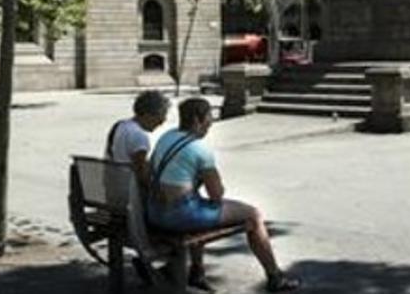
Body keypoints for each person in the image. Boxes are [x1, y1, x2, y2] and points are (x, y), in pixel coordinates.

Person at [146, 97, 301, 292]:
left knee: (198, 205)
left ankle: (197, 271)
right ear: (196, 120)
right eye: (209, 117)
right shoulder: (200, 150)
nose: (211, 122)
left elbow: (153, 171)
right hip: (179, 217)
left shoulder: (166, 136)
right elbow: (217, 196)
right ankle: (275, 277)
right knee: (253, 214)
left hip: (155, 212)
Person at [104, 90, 174, 286]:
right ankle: (158, 262)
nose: (162, 122)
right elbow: (142, 176)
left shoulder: (120, 126)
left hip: (113, 194)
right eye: (161, 117)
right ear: (148, 115)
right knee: (173, 210)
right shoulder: (139, 137)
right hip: (129, 199)